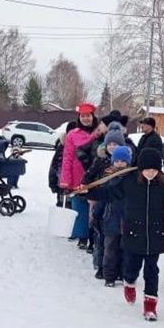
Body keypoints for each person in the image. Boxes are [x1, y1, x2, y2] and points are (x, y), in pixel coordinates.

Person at [76, 148, 164, 322]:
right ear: (140, 168)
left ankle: (150, 305)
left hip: (155, 233)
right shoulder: (129, 182)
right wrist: (88, 192)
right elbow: (108, 193)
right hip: (133, 232)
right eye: (147, 169)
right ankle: (129, 283)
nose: (151, 173)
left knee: (152, 271)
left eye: (154, 170)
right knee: (131, 267)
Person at [83, 122, 128, 276]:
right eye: (110, 144)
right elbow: (89, 177)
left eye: (116, 144)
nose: (112, 147)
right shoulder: (100, 160)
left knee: (115, 240)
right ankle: (101, 266)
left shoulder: (126, 162)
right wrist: (87, 188)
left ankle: (118, 269)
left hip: (117, 205)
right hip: (100, 200)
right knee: (101, 236)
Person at [60, 103, 101, 248]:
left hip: (97, 177)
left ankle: (94, 238)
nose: (85, 119)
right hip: (78, 177)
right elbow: (67, 159)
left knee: (96, 209)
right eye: (82, 116)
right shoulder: (73, 135)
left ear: (93, 116)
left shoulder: (100, 132)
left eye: (88, 116)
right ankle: (82, 236)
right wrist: (66, 181)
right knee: (80, 209)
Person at [94, 145, 131, 287]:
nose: (120, 163)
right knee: (110, 250)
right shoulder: (108, 178)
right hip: (110, 219)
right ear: (113, 161)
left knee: (125, 250)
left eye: (123, 160)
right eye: (117, 161)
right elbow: (102, 198)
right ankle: (109, 275)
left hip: (127, 220)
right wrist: (96, 214)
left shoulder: (132, 179)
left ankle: (123, 274)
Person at [49, 122, 77, 208]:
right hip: (63, 184)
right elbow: (54, 165)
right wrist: (53, 183)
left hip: (75, 185)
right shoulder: (62, 147)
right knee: (64, 207)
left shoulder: (80, 147)